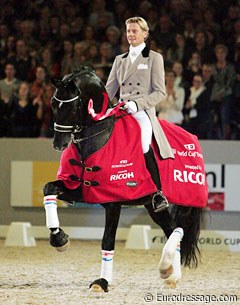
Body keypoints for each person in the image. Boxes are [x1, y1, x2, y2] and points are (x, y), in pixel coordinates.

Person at [106, 16, 174, 212]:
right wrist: (96, 106)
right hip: (120, 109)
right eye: (128, 31)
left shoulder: (154, 58)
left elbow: (160, 92)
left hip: (141, 110)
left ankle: (157, 193)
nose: (130, 35)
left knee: (143, 143)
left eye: (135, 31)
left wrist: (137, 104)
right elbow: (109, 90)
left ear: (145, 33)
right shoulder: (119, 60)